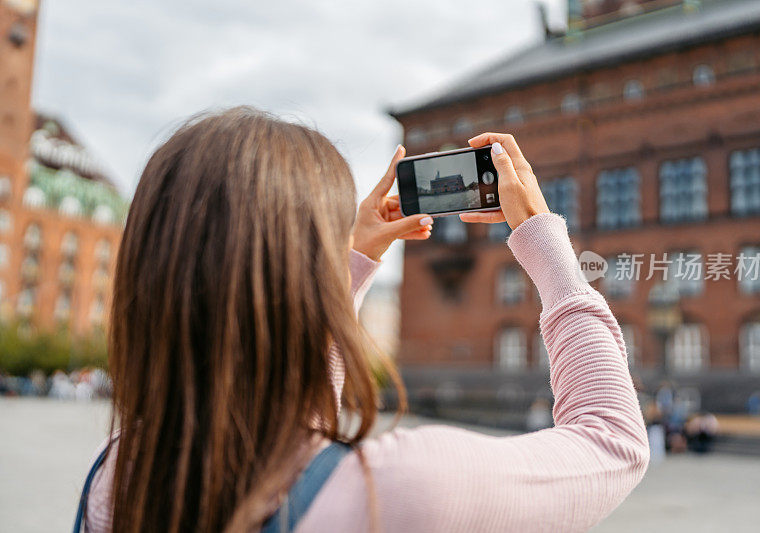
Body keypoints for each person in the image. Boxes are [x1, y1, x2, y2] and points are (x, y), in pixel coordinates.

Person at [78, 108, 648, 533]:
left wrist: (353, 260)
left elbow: (288, 412)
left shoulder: (119, 472)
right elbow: (613, 441)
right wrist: (543, 240)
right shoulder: (394, 489)